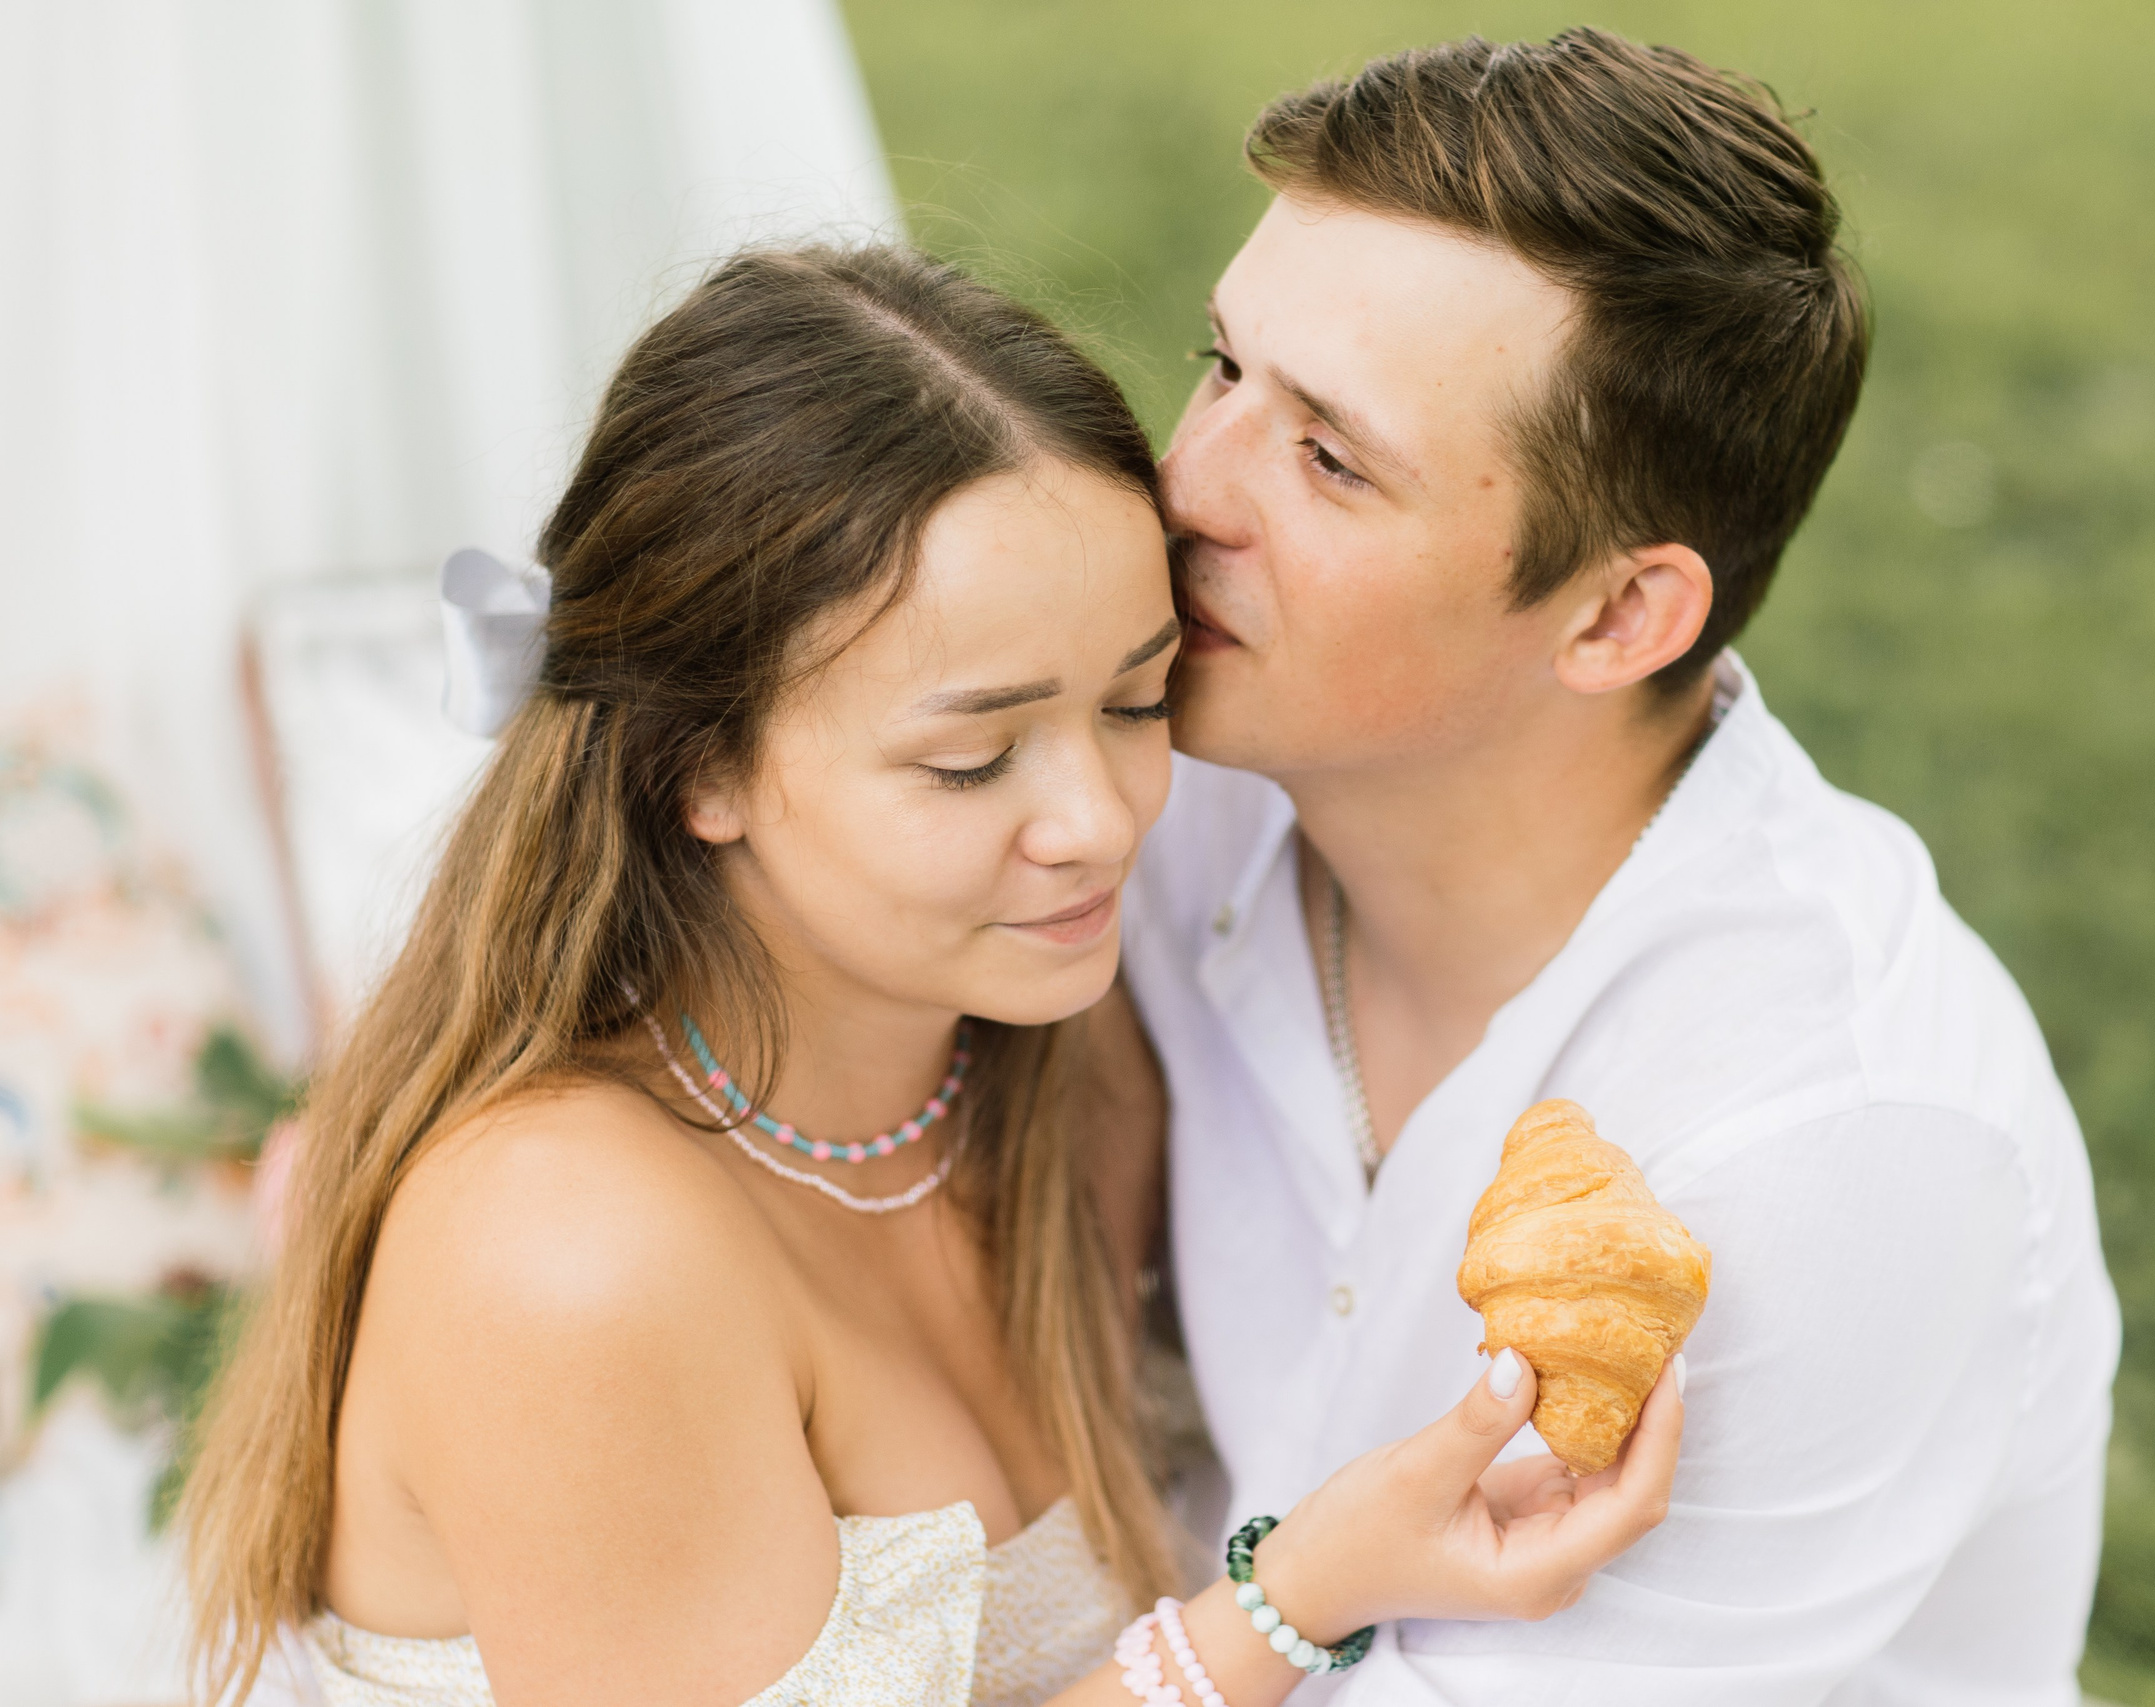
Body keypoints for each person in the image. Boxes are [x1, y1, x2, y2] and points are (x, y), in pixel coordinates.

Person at [181, 244, 1681, 1707]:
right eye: (972, 762)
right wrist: (1294, 1601)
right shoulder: (571, 1257)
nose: (1101, 826)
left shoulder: (1057, 1082)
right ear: (699, 765)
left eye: (1139, 700)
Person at [1119, 29, 2123, 1704]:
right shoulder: (1139, 794)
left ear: (1617, 615)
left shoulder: (1825, 1146)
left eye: (1329, 459)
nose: (1182, 487)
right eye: (1226, 369)